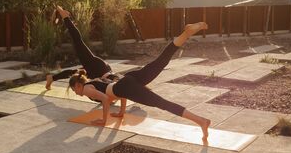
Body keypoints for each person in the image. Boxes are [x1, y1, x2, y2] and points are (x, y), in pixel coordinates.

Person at [68, 22, 212, 141]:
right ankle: (186, 34)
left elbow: (106, 99)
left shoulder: (87, 89)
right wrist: (121, 112)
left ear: (78, 85)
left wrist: (103, 120)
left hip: (125, 86)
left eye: (74, 90)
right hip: (127, 80)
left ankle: (201, 121)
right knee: (160, 62)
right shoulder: (94, 83)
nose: (75, 92)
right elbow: (118, 93)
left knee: (162, 103)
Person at [45, 6, 119, 90]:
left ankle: (52, 78)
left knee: (76, 73)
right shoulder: (117, 83)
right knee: (78, 41)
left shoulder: (115, 86)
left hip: (97, 71)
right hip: (98, 67)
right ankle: (65, 17)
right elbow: (113, 79)